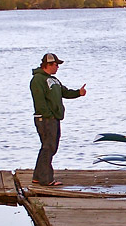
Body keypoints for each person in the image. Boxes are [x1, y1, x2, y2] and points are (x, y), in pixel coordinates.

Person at [30, 53, 86, 186]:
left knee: (50, 147)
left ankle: (38, 176)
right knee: (48, 147)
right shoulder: (37, 80)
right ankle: (46, 179)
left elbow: (65, 92)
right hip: (45, 119)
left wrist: (78, 92)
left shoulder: (54, 80)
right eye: (56, 64)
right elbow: (39, 102)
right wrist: (49, 115)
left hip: (54, 118)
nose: (57, 67)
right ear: (48, 64)